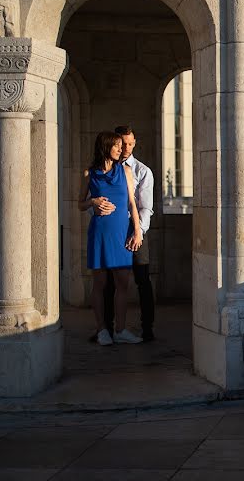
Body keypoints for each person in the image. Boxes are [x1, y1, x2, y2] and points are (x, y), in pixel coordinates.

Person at [78, 131, 144, 346]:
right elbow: (80, 203)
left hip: (121, 232)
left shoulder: (125, 171)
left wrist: (137, 231)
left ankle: (121, 329)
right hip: (99, 232)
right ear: (106, 147)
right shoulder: (89, 173)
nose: (121, 149)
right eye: (116, 146)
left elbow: (132, 205)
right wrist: (93, 202)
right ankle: (101, 330)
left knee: (123, 283)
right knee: (99, 283)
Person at [100, 126, 156, 341]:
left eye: (131, 143)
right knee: (109, 282)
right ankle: (106, 328)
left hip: (136, 231)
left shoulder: (142, 171)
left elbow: (145, 207)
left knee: (143, 279)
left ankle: (147, 328)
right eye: (123, 144)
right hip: (112, 231)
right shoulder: (104, 169)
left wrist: (138, 232)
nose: (127, 148)